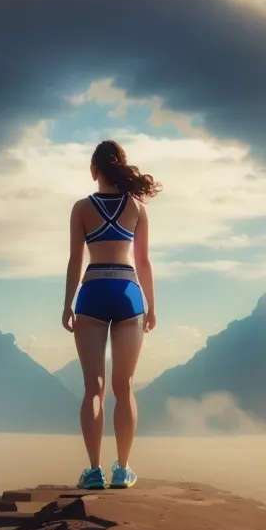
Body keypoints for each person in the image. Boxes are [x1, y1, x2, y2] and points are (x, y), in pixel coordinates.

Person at [62, 139, 161, 490]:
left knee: (94, 389)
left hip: (92, 292)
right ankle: (122, 469)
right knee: (125, 387)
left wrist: (67, 303)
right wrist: (151, 305)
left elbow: (76, 260)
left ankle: (93, 471)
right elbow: (144, 261)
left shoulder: (81, 208)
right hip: (127, 294)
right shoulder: (136, 207)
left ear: (94, 171)